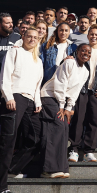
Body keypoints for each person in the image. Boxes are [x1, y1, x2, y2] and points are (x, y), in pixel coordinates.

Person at [0, 27, 43, 191]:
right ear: (23, 37)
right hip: (15, 98)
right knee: (7, 142)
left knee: (37, 138)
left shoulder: (38, 60)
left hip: (31, 102)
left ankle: (13, 168)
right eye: (29, 36)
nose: (32, 39)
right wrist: (8, 97)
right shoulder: (15, 52)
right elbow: (5, 76)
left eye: (35, 37)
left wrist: (38, 100)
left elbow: (37, 84)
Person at [40, 44, 91, 178]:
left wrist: (69, 108)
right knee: (58, 125)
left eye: (89, 52)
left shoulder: (85, 71)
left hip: (62, 101)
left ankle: (61, 168)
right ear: (77, 52)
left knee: (64, 129)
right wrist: (62, 106)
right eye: (83, 50)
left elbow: (75, 92)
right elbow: (59, 84)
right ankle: (48, 170)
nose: (86, 53)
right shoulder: (69, 62)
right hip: (50, 96)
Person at [68, 25, 97, 162]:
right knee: (78, 120)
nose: (93, 36)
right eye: (91, 34)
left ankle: (89, 151)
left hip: (96, 91)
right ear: (88, 36)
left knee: (94, 120)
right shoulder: (80, 51)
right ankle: (74, 149)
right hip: (81, 91)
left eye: (96, 35)